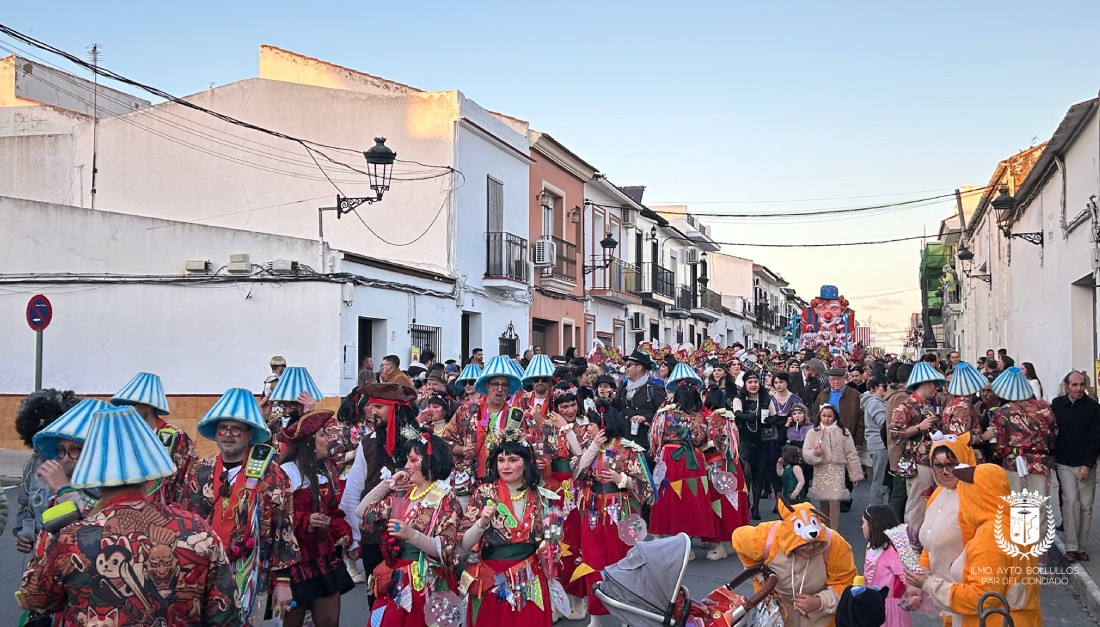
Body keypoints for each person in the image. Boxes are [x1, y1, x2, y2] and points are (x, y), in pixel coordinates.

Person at [17, 405, 240, 625]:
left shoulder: (71, 538)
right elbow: (226, 615)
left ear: (92, 468)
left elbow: (33, 598)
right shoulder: (199, 532)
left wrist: (51, 530)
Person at [182, 388, 298, 625]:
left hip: (251, 576)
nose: (228, 434)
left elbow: (283, 529)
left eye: (236, 429)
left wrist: (283, 582)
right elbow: (184, 523)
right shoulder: (198, 471)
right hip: (201, 577)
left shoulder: (272, 476)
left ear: (250, 434)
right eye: (223, 428)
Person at [906, 464, 1041, 626]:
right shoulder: (1017, 522)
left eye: (966, 489)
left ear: (978, 494)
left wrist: (929, 584)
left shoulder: (991, 536)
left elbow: (982, 596)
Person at [357, 433, 461, 627]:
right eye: (407, 459)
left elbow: (445, 549)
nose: (407, 465)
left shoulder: (445, 499)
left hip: (428, 581)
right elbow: (362, 511)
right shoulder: (403, 495)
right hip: (397, 580)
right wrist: (388, 483)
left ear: (430, 462)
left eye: (413, 460)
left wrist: (411, 535)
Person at [460, 434, 555, 626]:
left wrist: (550, 544)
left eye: (513, 460)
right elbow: (464, 543)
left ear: (526, 463)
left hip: (529, 576)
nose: (505, 466)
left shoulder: (540, 494)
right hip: (491, 576)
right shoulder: (484, 492)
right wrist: (482, 523)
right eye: (501, 460)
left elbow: (551, 534)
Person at [573, 400, 654, 623]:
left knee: (624, 561)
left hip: (621, 511)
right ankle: (596, 615)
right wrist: (591, 448)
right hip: (593, 511)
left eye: (590, 424)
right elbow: (576, 474)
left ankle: (628, 613)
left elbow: (647, 488)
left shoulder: (629, 450)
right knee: (592, 562)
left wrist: (622, 479)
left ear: (603, 424)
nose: (586, 428)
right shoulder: (588, 449)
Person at [339, 383, 419, 600]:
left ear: (396, 408)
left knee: (414, 600)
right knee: (378, 600)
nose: (371, 411)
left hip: (416, 535)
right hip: (375, 536)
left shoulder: (422, 442)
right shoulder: (368, 444)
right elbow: (353, 492)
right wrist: (356, 537)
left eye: (378, 407)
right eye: (371, 406)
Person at [276, 408, 355, 627]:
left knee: (329, 621)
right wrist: (306, 521)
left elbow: (332, 512)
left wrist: (342, 533)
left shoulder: (324, 472)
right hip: (295, 560)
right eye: (322, 435)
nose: (327, 439)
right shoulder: (286, 472)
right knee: (293, 622)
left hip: (324, 557)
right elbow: (278, 515)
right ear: (310, 442)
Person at [732, 498, 859, 627]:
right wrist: (760, 575)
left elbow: (845, 583)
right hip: (777, 617)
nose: (810, 548)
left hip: (821, 619)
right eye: (803, 545)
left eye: (815, 543)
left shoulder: (834, 543)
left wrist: (819, 602)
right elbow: (738, 539)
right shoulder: (765, 538)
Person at [902, 431, 976, 621]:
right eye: (939, 465)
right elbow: (929, 547)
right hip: (943, 599)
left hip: (968, 602)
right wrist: (918, 585)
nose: (945, 471)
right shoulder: (936, 495)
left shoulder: (975, 499)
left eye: (952, 464)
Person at [531, 384, 590, 619]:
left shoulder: (586, 427)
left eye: (573, 404)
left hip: (574, 493)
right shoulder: (545, 428)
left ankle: (577, 598)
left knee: (574, 545)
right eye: (563, 406)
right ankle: (554, 601)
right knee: (550, 544)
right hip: (550, 492)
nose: (569, 410)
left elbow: (583, 457)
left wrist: (566, 430)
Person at [649, 363, 719, 542]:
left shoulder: (664, 413)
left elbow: (654, 437)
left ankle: (662, 533)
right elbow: (704, 439)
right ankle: (685, 536)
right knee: (690, 497)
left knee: (667, 495)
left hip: (669, 456)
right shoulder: (700, 416)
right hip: (693, 458)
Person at [110, 371, 197, 506]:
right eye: (126, 404)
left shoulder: (174, 436)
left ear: (149, 405)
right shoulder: (123, 436)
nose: (129, 408)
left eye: (133, 403)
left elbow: (186, 478)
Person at [987, 367, 1058, 529]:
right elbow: (1053, 434)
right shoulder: (1044, 408)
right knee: (1040, 507)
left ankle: (1021, 548)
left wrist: (1000, 454)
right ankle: (1039, 551)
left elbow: (1000, 444)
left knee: (1017, 505)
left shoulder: (1002, 412)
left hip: (1014, 463)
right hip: (1040, 462)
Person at [12, 389, 80, 555]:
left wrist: (64, 489)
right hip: (42, 564)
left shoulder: (88, 470)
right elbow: (25, 510)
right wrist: (23, 535)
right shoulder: (33, 467)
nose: (63, 456)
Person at [889, 362, 945, 541]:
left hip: (930, 459)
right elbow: (895, 434)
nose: (935, 389)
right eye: (933, 385)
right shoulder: (905, 406)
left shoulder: (928, 405)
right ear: (925, 384)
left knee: (930, 502)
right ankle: (912, 543)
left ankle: (924, 542)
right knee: (917, 503)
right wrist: (919, 427)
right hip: (917, 461)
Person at [453, 356, 528, 489]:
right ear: (487, 385)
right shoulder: (466, 411)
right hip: (469, 481)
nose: (500, 389)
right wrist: (463, 450)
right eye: (495, 384)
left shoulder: (515, 416)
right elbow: (446, 441)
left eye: (504, 385)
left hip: (503, 482)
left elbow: (523, 450)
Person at [1052, 370, 1100, 562]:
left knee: (1086, 506)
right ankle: (1071, 546)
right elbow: (1051, 432)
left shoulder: (1093, 408)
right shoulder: (1057, 405)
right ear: (1067, 386)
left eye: (1081, 385)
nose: (1078, 389)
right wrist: (1051, 456)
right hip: (1064, 462)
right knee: (1070, 501)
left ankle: (1081, 547)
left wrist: (1087, 464)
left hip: (1086, 463)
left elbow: (1096, 438)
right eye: (1074, 385)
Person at [803, 403, 863, 529]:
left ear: (835, 417)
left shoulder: (843, 432)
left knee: (835, 502)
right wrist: (815, 453)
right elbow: (806, 453)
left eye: (830, 416)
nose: (826, 419)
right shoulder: (812, 433)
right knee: (823, 503)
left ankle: (834, 532)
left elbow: (851, 453)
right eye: (824, 416)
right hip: (820, 469)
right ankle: (825, 530)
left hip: (837, 470)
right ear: (820, 417)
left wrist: (855, 474)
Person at [735, 371, 775, 520]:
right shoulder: (739, 398)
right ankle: (745, 501)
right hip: (745, 441)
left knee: (759, 475)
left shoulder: (765, 398)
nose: (753, 385)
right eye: (750, 382)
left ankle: (755, 507)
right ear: (745, 384)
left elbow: (774, 415)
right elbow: (736, 413)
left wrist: (770, 421)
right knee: (745, 473)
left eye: (755, 382)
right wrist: (748, 417)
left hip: (762, 441)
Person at [861, 505, 910, 627]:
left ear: (874, 525)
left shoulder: (893, 552)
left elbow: (907, 578)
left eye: (864, 522)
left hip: (889, 608)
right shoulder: (871, 547)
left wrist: (912, 595)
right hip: (871, 602)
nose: (862, 526)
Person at [616, 349, 668, 454]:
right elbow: (616, 407)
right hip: (625, 440)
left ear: (639, 367)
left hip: (644, 443)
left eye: (629, 365)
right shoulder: (623, 387)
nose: (626, 368)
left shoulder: (654, 388)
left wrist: (645, 417)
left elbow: (664, 414)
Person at [860, 375, 890, 506]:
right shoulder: (874, 403)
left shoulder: (879, 401)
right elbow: (884, 423)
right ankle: (875, 510)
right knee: (880, 480)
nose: (887, 389)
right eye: (884, 386)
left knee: (880, 480)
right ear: (875, 388)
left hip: (878, 443)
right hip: (880, 444)